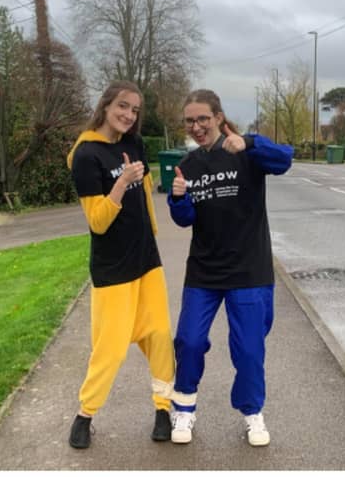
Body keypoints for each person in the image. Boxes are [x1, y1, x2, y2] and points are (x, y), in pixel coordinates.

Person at [167, 89, 293, 446]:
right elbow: (185, 219)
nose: (197, 126)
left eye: (203, 118)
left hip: (249, 272)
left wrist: (251, 143)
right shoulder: (189, 166)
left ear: (219, 117)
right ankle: (185, 410)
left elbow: (285, 159)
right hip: (204, 273)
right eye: (190, 120)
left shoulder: (246, 153)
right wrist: (178, 197)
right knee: (189, 342)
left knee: (249, 349)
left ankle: (253, 413)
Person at [66, 80, 174, 449]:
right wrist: (121, 183)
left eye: (135, 110)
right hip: (113, 267)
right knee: (110, 347)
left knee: (159, 336)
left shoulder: (134, 143)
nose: (129, 115)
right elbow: (97, 221)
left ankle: (163, 409)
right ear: (106, 104)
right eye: (123, 106)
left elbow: (143, 193)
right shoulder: (86, 155)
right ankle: (85, 414)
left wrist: (153, 231)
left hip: (146, 259)